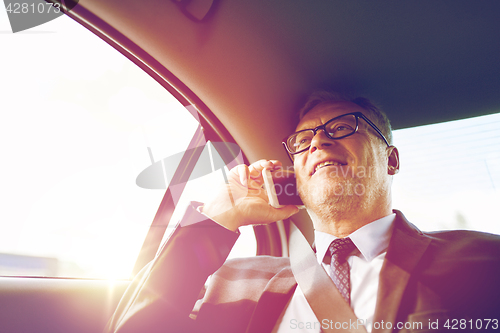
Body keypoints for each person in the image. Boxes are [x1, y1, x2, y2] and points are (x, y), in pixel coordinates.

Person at [105, 92, 500, 333]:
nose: (319, 141)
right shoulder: (232, 281)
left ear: (391, 159)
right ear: (294, 170)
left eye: (344, 126)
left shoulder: (485, 262)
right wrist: (219, 214)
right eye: (303, 138)